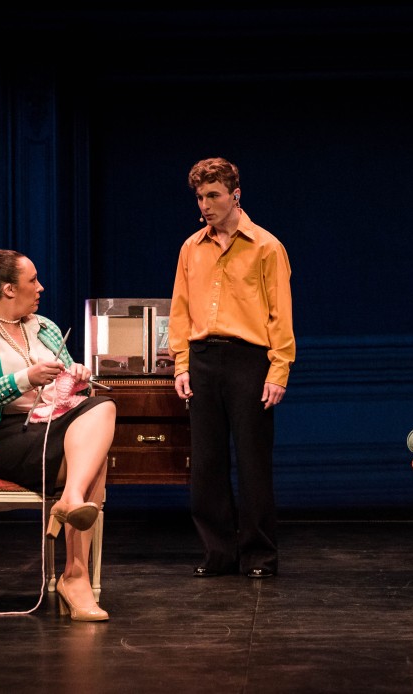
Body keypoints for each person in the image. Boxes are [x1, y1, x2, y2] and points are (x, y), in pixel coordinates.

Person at [0, 244, 116, 621]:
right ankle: (76, 577)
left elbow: (72, 393)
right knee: (95, 462)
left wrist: (78, 377)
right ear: (9, 289)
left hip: (49, 425)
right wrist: (24, 379)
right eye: (33, 280)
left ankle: (70, 502)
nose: (41, 287)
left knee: (103, 406)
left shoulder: (46, 328)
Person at [168, 157, 296, 580]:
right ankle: (218, 552)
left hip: (249, 360)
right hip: (203, 358)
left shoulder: (266, 246)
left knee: (253, 461)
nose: (205, 205)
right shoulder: (190, 247)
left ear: (235, 195)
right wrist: (182, 364)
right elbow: (180, 310)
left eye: (213, 195)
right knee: (206, 463)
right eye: (199, 197)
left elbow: (280, 314)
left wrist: (278, 370)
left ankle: (259, 554)